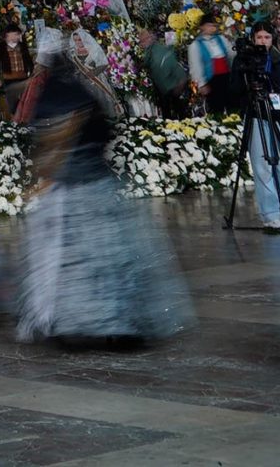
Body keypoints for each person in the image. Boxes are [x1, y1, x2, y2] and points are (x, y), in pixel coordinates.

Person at [16, 29, 193, 343]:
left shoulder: (52, 95)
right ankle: (118, 318)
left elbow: (49, 142)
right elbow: (103, 132)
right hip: (98, 185)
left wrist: (45, 173)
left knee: (69, 259)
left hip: (71, 190)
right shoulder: (81, 90)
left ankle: (81, 320)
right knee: (111, 255)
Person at [236, 16, 280, 232]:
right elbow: (235, 88)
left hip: (279, 116)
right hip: (257, 116)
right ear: (253, 39)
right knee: (263, 167)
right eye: (259, 37)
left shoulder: (279, 59)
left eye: (267, 37)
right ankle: (271, 215)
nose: (263, 41)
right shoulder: (244, 60)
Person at [189, 11, 236, 112]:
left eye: (213, 25)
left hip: (226, 76)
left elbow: (231, 53)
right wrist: (202, 84)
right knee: (216, 107)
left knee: (232, 105)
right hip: (211, 79)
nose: (212, 28)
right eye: (209, 25)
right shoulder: (195, 45)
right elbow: (195, 66)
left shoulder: (221, 39)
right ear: (202, 27)